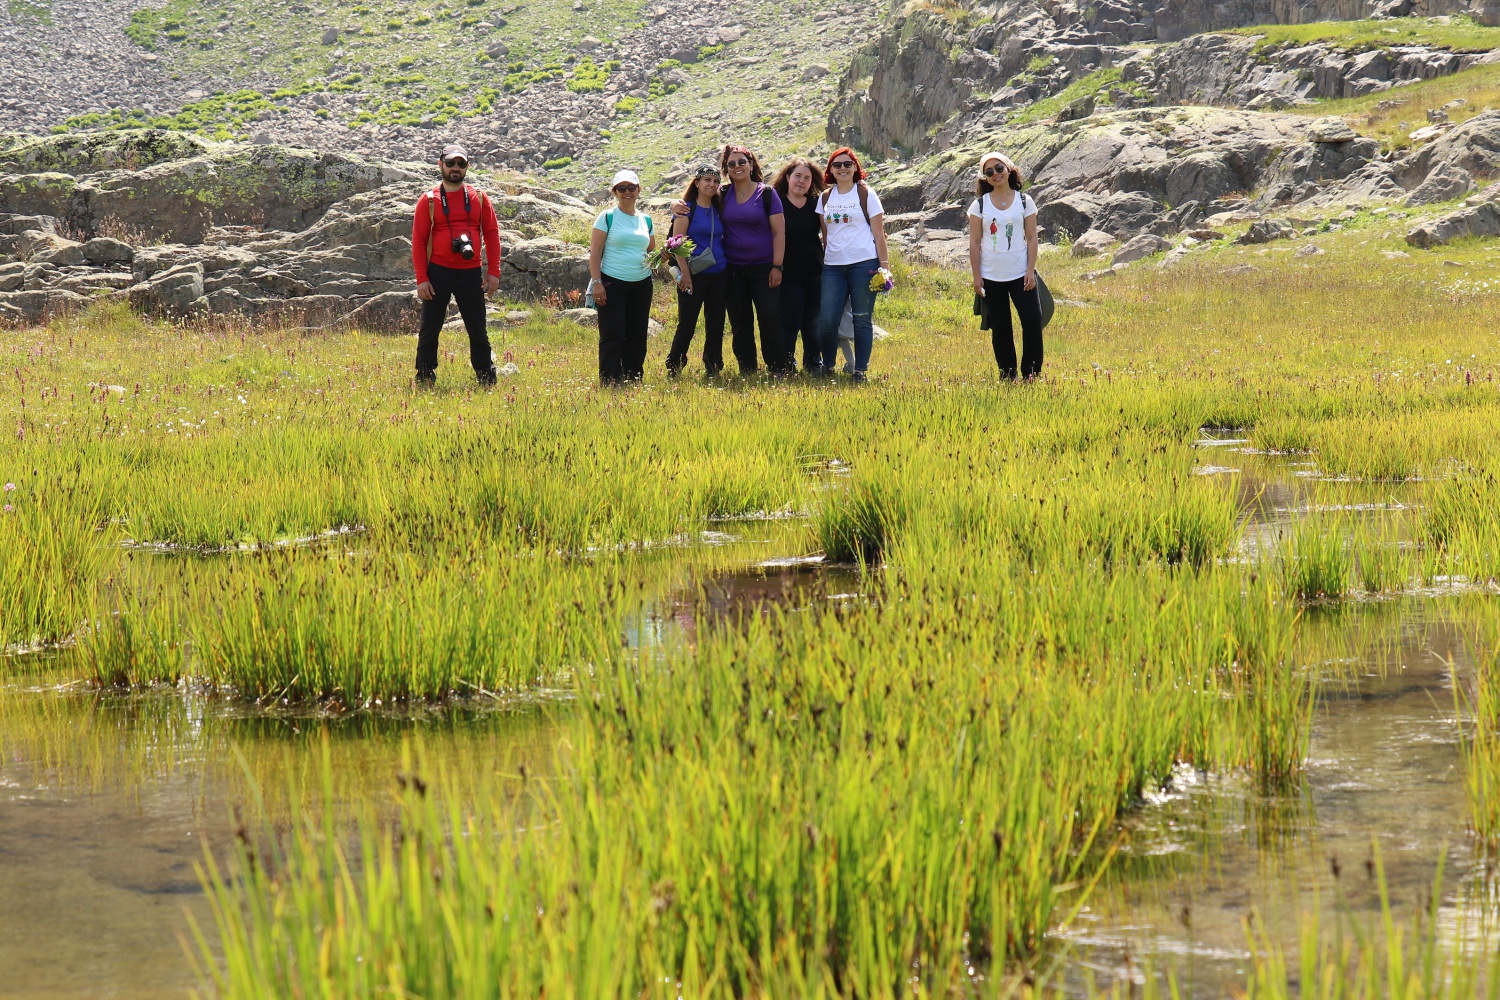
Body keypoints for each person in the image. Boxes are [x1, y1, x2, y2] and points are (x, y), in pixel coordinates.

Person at [412, 143, 501, 387]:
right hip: (438, 271)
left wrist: (493, 272)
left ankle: (486, 376)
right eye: (450, 163)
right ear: (440, 164)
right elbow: (418, 241)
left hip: (470, 272)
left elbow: (492, 235)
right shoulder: (428, 200)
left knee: (477, 329)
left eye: (461, 164)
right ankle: (424, 376)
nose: (455, 168)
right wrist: (422, 278)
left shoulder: (480, 198)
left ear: (467, 167)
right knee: (430, 329)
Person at [814, 147, 888, 381]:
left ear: (855, 167)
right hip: (833, 266)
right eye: (837, 165)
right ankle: (828, 366)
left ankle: (860, 370)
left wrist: (884, 266)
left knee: (861, 317)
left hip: (864, 263)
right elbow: (827, 235)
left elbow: (879, 234)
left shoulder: (866, 193)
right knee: (827, 319)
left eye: (848, 164)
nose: (843, 168)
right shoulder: (825, 197)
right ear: (831, 171)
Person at [967, 151, 1041, 380]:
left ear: (1009, 169)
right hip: (991, 276)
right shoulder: (979, 205)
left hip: (1021, 274)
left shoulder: (1024, 201)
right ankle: (1007, 375)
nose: (995, 174)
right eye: (989, 172)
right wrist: (977, 277)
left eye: (999, 168)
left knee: (1032, 321)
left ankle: (1031, 373)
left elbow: (1031, 237)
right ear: (985, 178)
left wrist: (1030, 270)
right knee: (1001, 329)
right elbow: (975, 242)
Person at [717, 144, 788, 375]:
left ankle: (777, 366)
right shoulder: (723, 194)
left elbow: (779, 232)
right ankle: (747, 368)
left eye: (741, 162)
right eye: (731, 164)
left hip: (764, 268)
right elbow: (698, 203)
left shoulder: (767, 194)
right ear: (726, 169)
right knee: (740, 321)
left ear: (751, 165)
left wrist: (777, 266)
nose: (737, 167)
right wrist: (676, 205)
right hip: (733, 269)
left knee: (769, 317)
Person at [589, 169, 656, 385]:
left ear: (639, 190)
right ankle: (609, 380)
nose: (627, 192)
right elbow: (595, 253)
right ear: (615, 192)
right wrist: (597, 283)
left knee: (637, 334)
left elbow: (650, 250)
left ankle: (633, 377)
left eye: (631, 188)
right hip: (612, 282)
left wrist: (665, 254)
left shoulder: (646, 219)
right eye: (621, 188)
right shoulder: (607, 217)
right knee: (613, 333)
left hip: (641, 283)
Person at [665, 164, 729, 377]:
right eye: (707, 180)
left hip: (719, 274)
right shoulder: (685, 210)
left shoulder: (719, 208)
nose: (711, 184)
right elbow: (677, 243)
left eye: (715, 181)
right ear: (697, 182)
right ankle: (675, 364)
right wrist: (685, 274)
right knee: (687, 322)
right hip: (693, 274)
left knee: (716, 323)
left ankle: (713, 365)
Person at [771, 157, 825, 374]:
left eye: (807, 178)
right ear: (787, 177)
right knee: (790, 320)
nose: (801, 181)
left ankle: (813, 363)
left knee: (813, 321)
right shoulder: (776, 202)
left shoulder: (817, 202)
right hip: (787, 273)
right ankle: (786, 362)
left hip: (815, 271)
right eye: (797, 176)